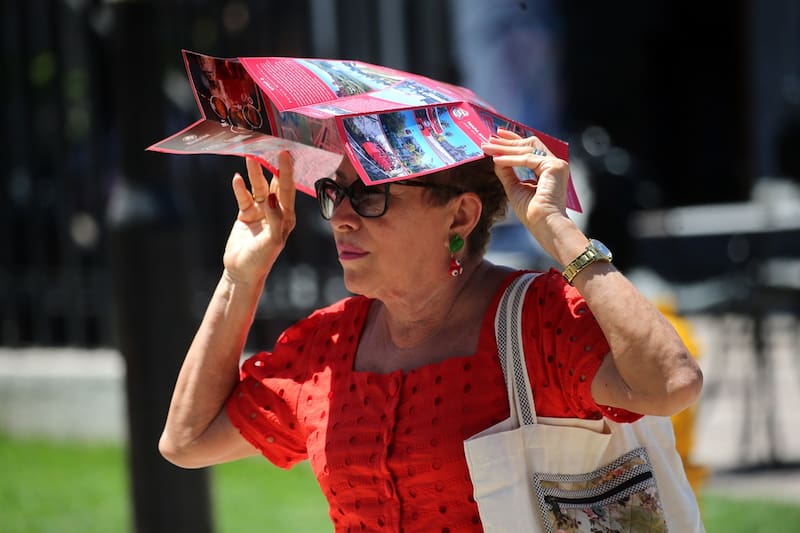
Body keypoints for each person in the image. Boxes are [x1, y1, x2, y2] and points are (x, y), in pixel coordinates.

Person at [159, 128, 703, 531]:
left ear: (460, 216)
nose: (341, 217)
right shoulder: (327, 346)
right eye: (334, 192)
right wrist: (239, 276)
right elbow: (187, 441)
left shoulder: (538, 319)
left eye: (370, 195)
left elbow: (670, 384)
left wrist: (559, 231)